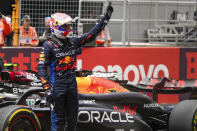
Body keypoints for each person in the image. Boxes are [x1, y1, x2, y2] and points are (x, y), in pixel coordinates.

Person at [38, 3, 113, 131]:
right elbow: (41, 68)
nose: (68, 28)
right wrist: (47, 89)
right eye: (65, 26)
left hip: (72, 86)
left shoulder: (73, 42)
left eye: (69, 25)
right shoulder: (48, 45)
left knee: (72, 121)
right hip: (57, 87)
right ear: (56, 27)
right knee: (58, 122)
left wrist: (105, 20)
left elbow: (91, 35)